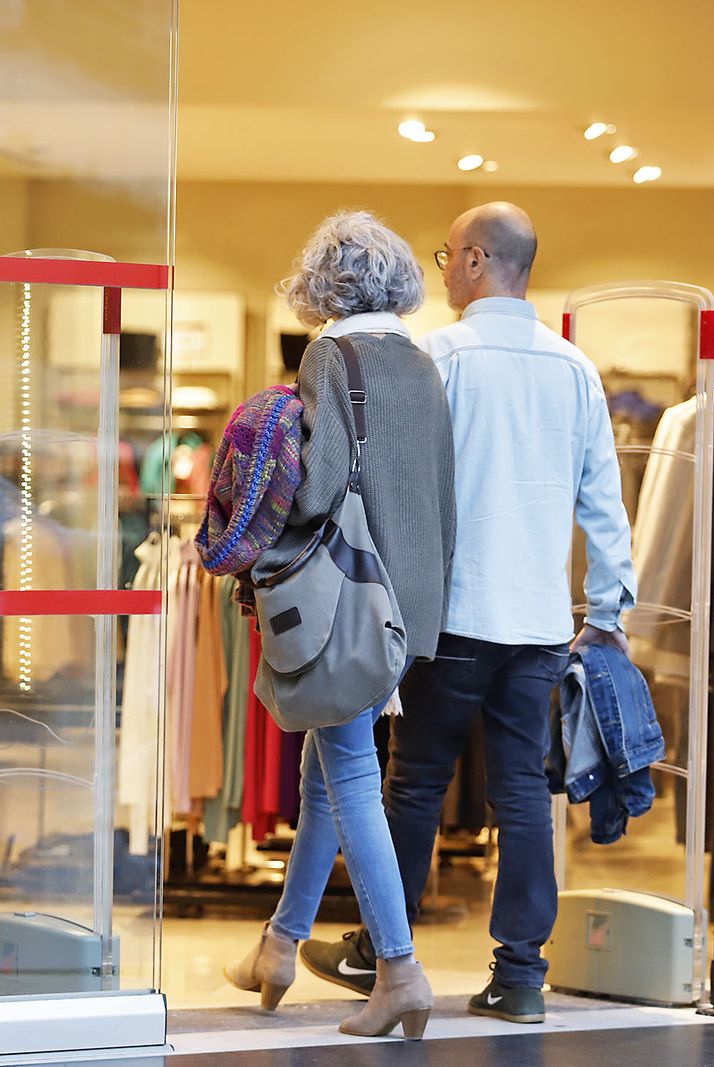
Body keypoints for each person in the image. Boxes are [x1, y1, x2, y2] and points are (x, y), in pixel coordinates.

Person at [300, 202, 636, 1024]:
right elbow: (603, 499)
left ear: (480, 260)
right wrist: (610, 605)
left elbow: (400, 487)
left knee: (415, 782)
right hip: (539, 621)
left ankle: (384, 955)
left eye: (448, 254)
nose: (441, 268)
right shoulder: (574, 368)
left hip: (450, 612)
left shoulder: (434, 357)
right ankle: (521, 974)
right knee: (524, 792)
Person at [223, 209, 457, 1040]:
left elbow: (318, 489)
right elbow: (441, 494)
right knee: (326, 775)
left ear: (325, 282)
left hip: (345, 598)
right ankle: (278, 947)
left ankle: (399, 969)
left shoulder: (331, 354)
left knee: (350, 777)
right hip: (408, 603)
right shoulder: (424, 363)